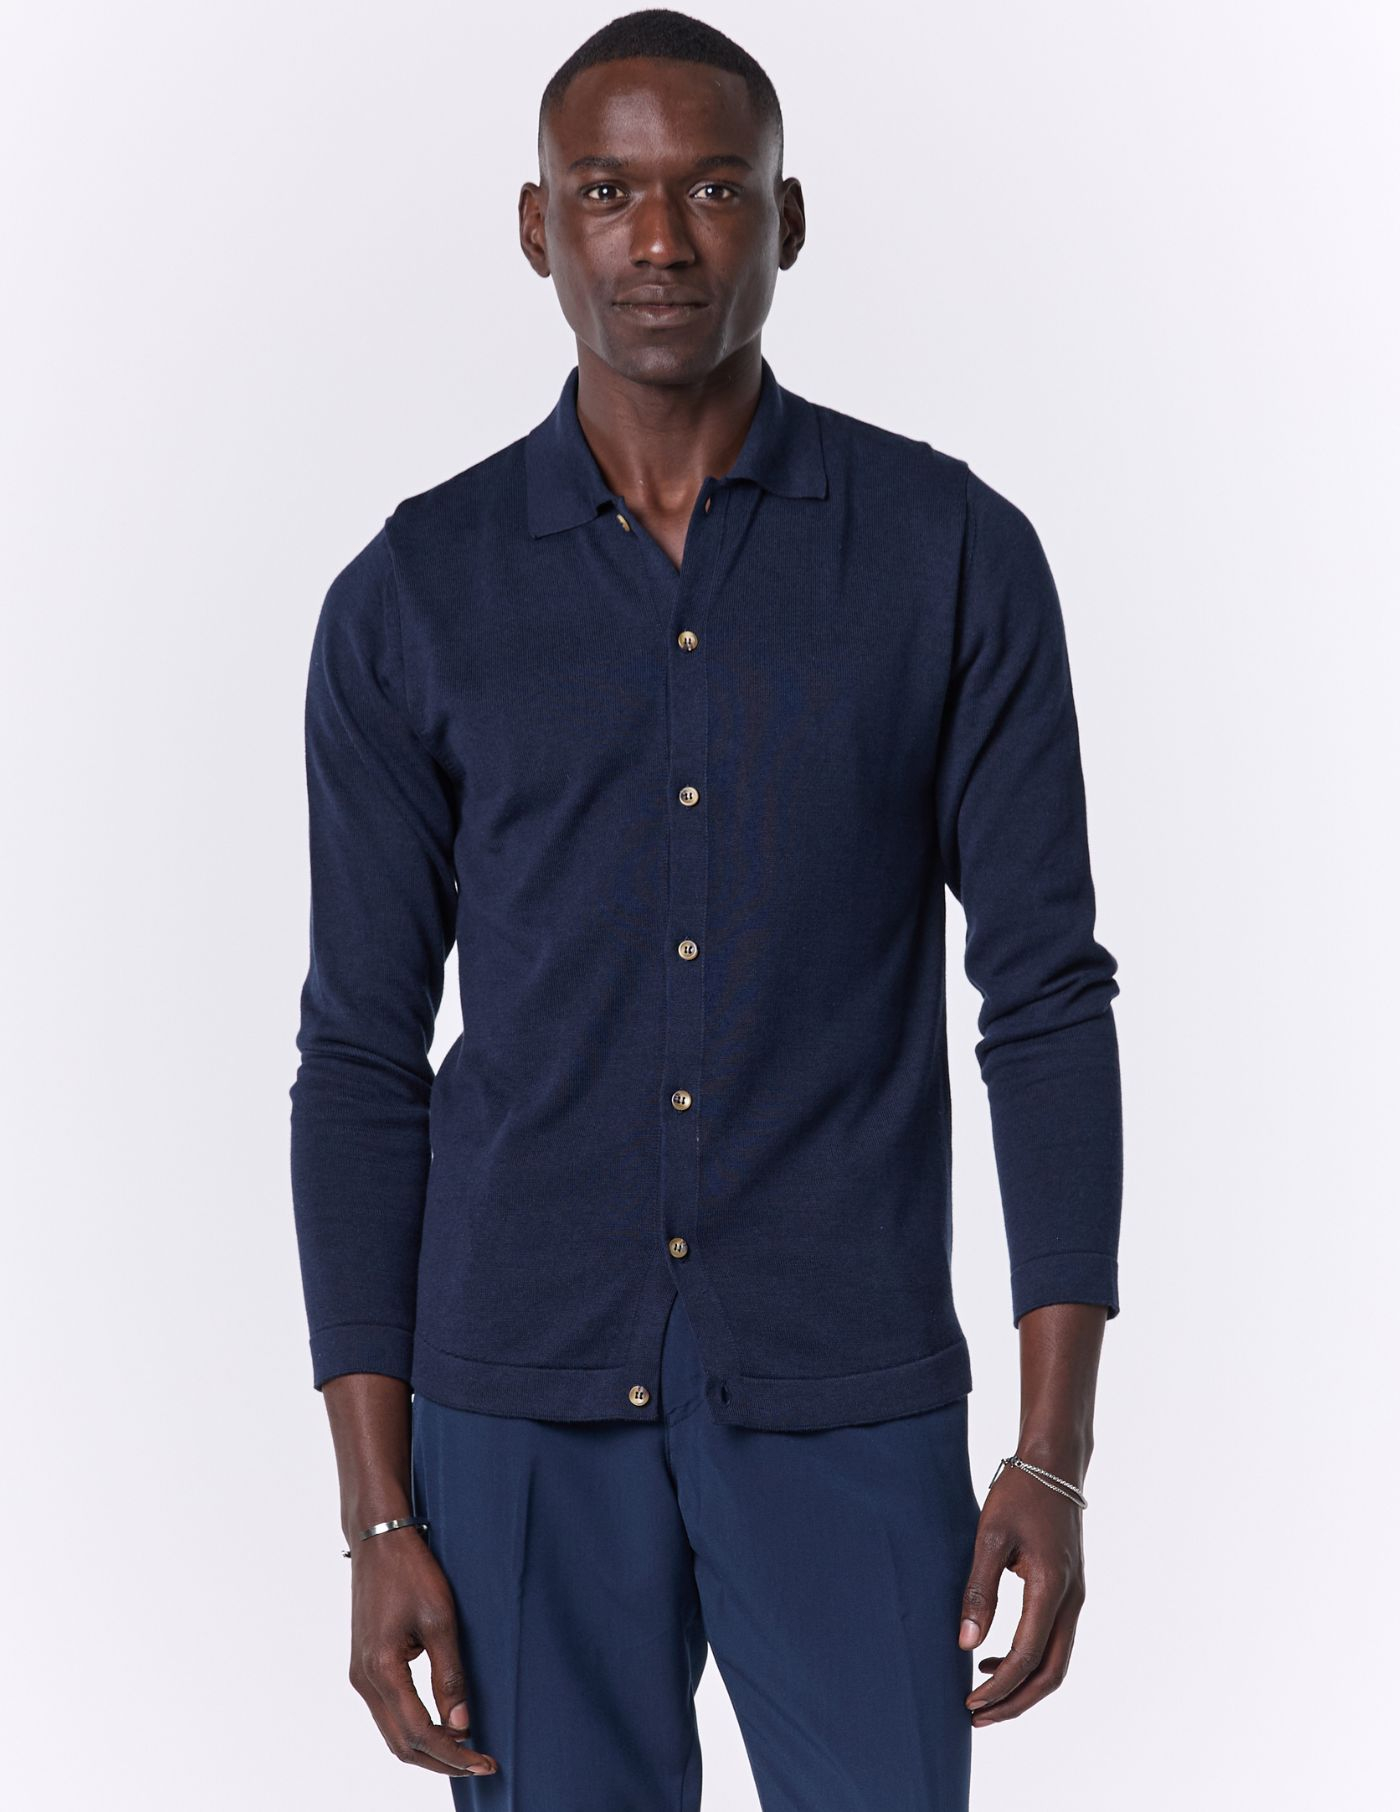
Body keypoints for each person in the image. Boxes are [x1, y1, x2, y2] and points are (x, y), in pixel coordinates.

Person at [288, 10, 1124, 1808]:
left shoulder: (950, 555)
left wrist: (1052, 1455)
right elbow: (359, 1057)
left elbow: (1046, 999)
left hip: (849, 1385)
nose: (660, 240)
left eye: (714, 190)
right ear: (538, 227)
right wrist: (377, 1513)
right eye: (608, 192)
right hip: (515, 1403)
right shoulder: (413, 595)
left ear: (787, 219)